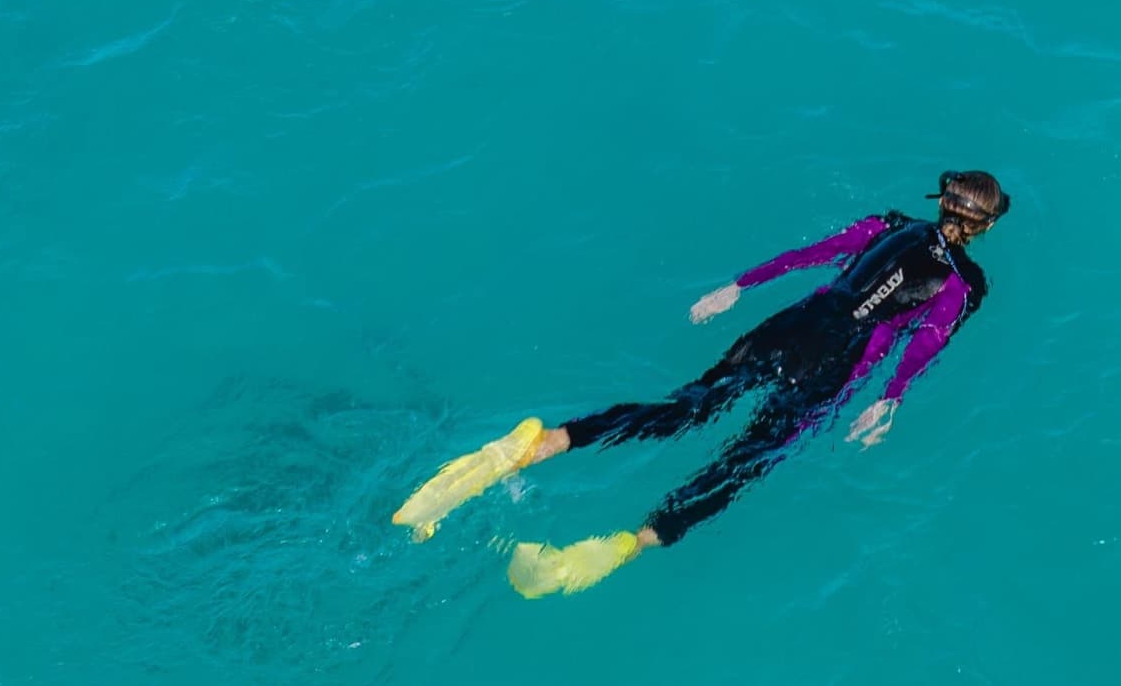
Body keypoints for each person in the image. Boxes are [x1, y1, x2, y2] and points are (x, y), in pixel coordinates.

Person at [391, 172, 1007, 598]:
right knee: (743, 462)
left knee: (684, 408)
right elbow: (926, 339)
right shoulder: (966, 285)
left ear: (942, 201)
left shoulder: (886, 222)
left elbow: (808, 255)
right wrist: (889, 400)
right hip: (835, 363)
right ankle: (627, 545)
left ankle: (542, 442)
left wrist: (735, 286)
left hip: (789, 327)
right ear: (982, 228)